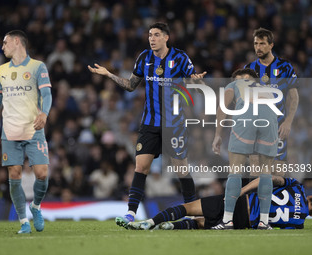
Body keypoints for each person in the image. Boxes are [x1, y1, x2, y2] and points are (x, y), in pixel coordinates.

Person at [88, 22, 206, 228]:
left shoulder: (180, 58)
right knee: (141, 167)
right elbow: (131, 85)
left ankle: (191, 212)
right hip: (150, 123)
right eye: (150, 35)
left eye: (156, 35)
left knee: (181, 170)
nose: (152, 38)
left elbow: (193, 88)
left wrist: (197, 82)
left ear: (166, 37)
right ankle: (130, 214)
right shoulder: (144, 58)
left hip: (174, 124)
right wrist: (109, 74)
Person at [0, 30, 52, 234]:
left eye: (5, 42)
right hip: (10, 132)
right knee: (14, 174)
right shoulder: (1, 71)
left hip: (34, 130)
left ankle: (36, 207)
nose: (2, 46)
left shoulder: (37, 67)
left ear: (17, 42)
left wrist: (44, 113)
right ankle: (24, 221)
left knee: (42, 175)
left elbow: (47, 93)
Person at [210, 68, 279, 230]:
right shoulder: (265, 88)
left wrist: (218, 135)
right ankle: (264, 222)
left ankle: (227, 220)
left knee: (235, 170)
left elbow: (222, 108)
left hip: (247, 114)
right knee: (266, 172)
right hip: (270, 117)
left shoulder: (234, 84)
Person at [128, 175, 311, 230]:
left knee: (187, 208)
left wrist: (242, 190)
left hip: (240, 203)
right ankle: (170, 227)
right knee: (199, 224)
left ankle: (149, 223)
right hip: (245, 223)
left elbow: (267, 180)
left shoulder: (298, 187)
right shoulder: (299, 222)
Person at [245, 28, 299, 172]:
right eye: (256, 44)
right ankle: (256, 195)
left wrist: (288, 122)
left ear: (271, 45)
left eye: (262, 44)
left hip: (278, 125)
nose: (258, 47)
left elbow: (294, 97)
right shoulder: (249, 69)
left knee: (278, 171)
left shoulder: (285, 67)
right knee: (255, 170)